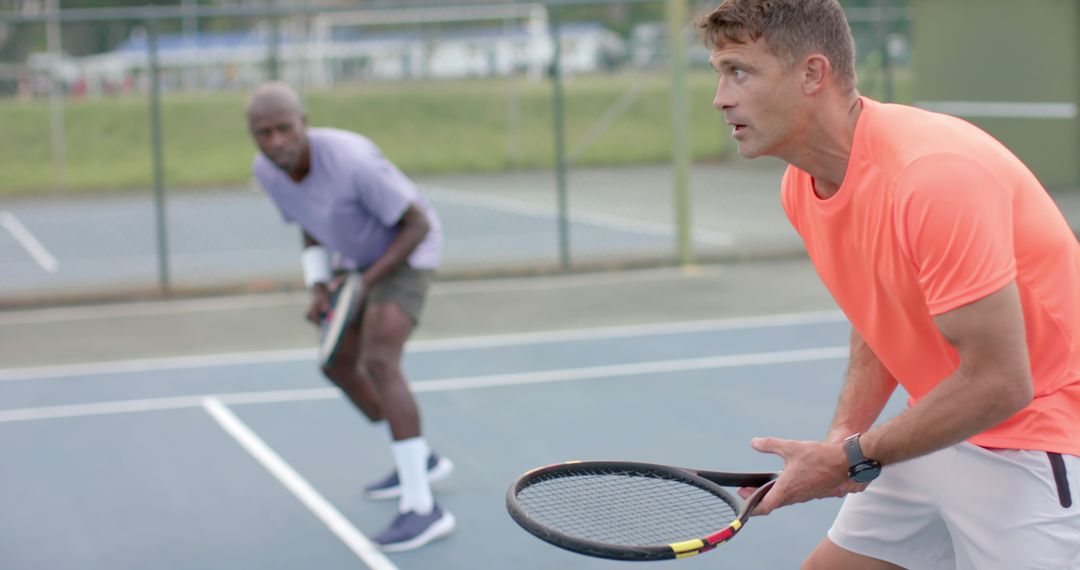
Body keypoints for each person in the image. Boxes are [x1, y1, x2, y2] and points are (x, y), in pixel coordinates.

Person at [698, 1, 1080, 568]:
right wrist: (843, 440)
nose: (721, 97)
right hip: (939, 424)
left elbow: (1002, 383)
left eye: (739, 71)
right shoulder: (802, 187)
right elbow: (881, 316)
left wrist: (851, 457)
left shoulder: (933, 175)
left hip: (1040, 441)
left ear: (812, 74)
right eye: (720, 74)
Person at [245, 81, 454, 552]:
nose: (277, 141)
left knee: (380, 360)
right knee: (337, 363)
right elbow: (308, 223)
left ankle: (423, 509)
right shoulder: (269, 171)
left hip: (407, 254)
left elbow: (416, 224)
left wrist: (363, 285)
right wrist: (319, 285)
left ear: (304, 122)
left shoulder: (352, 160)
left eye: (284, 128)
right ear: (253, 136)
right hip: (356, 261)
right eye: (264, 133)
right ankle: (418, 459)